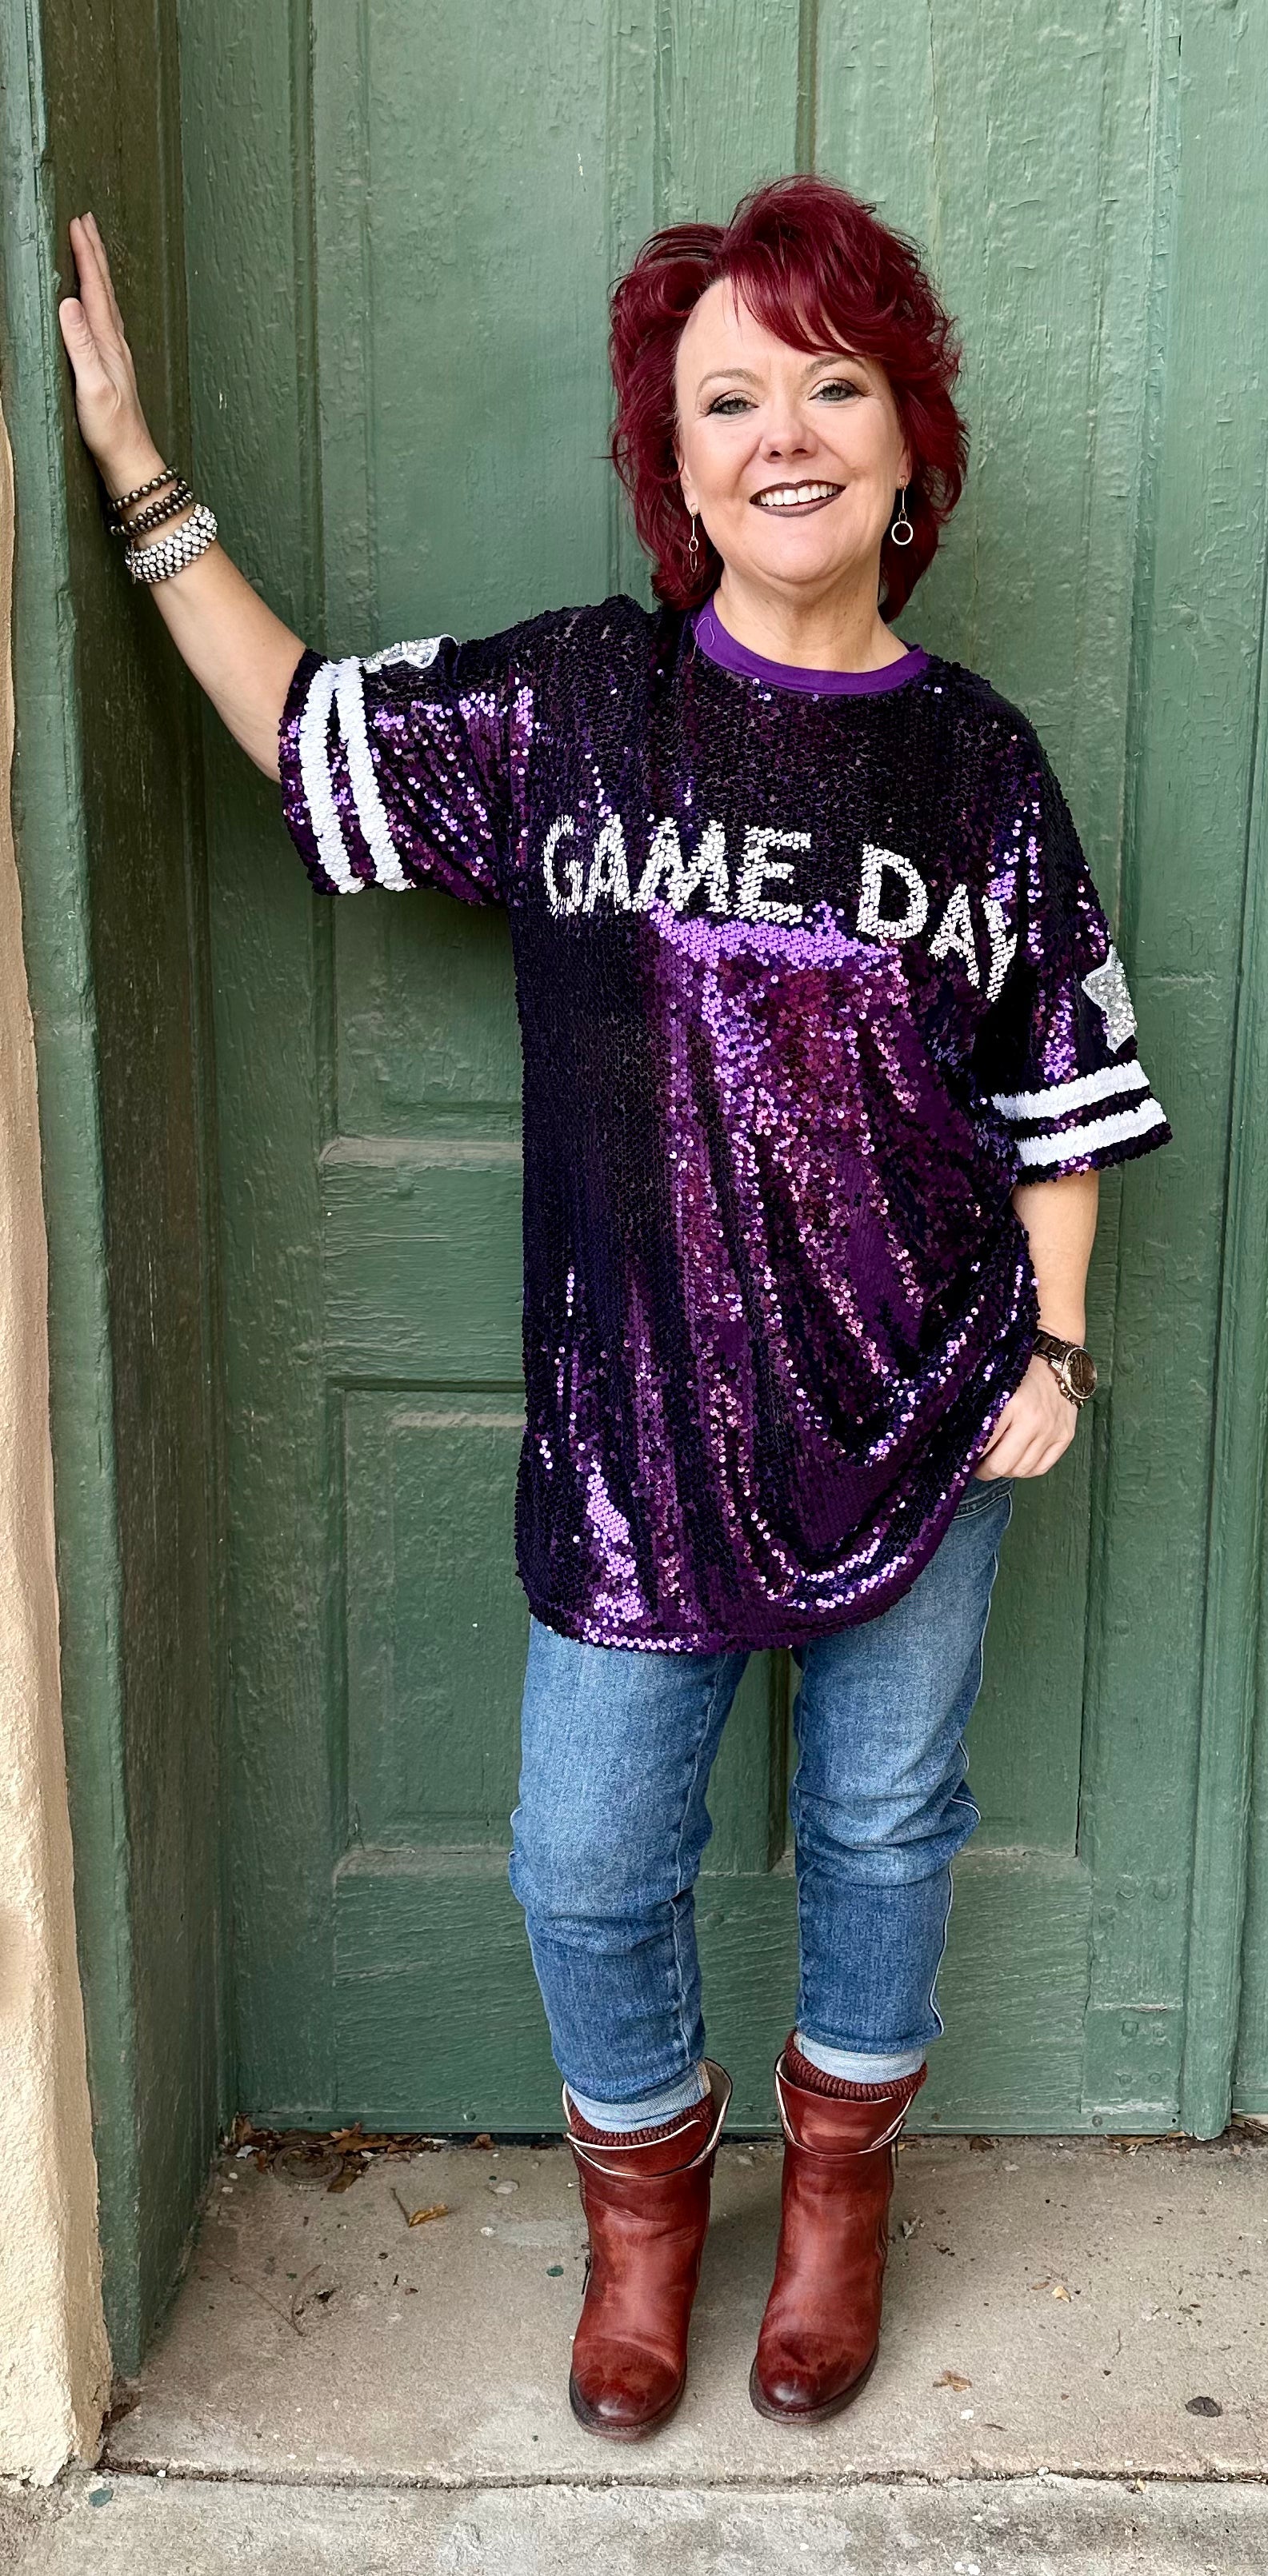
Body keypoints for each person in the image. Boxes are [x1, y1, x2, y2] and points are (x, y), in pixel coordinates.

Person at [58, 174, 1171, 2442]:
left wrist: (1053, 1346)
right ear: (673, 461)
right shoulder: (579, 705)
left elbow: (1054, 1082)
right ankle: (646, 2224)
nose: (785, 436)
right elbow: (304, 732)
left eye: (831, 386)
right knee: (582, 1864)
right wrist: (144, 484)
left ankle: (838, 2207)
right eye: (727, 398)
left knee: (883, 1827)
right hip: (639, 1436)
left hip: (927, 1404)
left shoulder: (976, 767)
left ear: (909, 442)